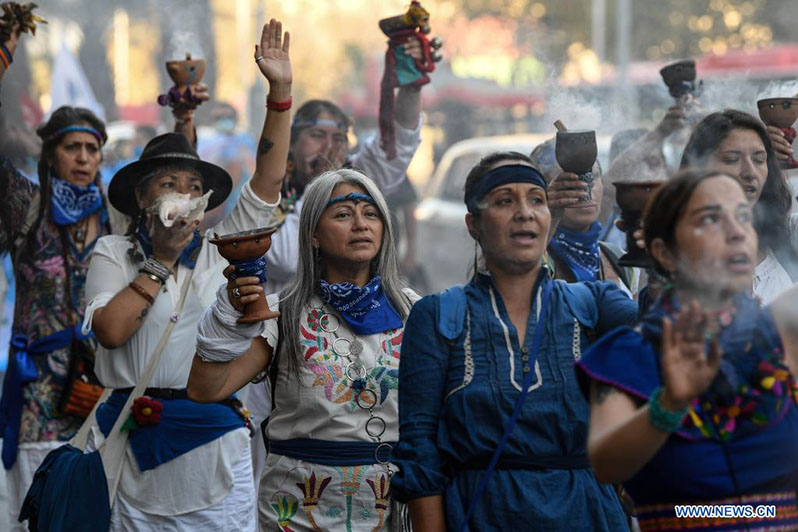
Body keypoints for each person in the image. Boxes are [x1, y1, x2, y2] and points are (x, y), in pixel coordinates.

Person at [69, 20, 292, 530]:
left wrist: (280, 91)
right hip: (129, 450)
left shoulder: (222, 250)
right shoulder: (113, 251)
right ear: (143, 200)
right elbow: (110, 330)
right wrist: (161, 260)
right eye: (168, 183)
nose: (183, 193)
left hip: (214, 450)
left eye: (194, 185)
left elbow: (269, 179)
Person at [391, 151, 638, 530]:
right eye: (505, 200)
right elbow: (419, 450)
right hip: (484, 515)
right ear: (473, 224)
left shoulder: (596, 304)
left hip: (587, 514)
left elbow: (670, 337)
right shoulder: (438, 316)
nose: (524, 212)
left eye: (536, 200)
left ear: (547, 217)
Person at [187, 168, 418, 530]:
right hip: (295, 512)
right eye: (343, 214)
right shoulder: (284, 314)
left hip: (388, 508)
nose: (361, 224)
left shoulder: (414, 313)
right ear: (312, 235)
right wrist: (225, 316)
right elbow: (206, 388)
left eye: (371, 214)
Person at [577, 168, 798, 531]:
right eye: (711, 219)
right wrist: (669, 406)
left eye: (744, 216)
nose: (737, 231)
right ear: (665, 252)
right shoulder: (629, 353)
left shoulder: (780, 332)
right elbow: (606, 464)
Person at [0, 23, 116, 530]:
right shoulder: (27, 205)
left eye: (92, 149)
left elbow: (180, 191)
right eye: (73, 148)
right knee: (37, 512)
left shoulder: (118, 215)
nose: (84, 159)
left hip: (103, 385)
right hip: (39, 391)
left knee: (95, 511)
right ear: (51, 154)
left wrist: (184, 112)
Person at [680, 109, 798, 304]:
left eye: (759, 159)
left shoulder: (787, 235)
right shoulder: (676, 247)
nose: (750, 172)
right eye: (732, 160)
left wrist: (786, 130)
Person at [530, 139, 636, 297]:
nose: (584, 190)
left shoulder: (619, 259)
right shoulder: (525, 256)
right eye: (570, 180)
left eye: (591, 176)